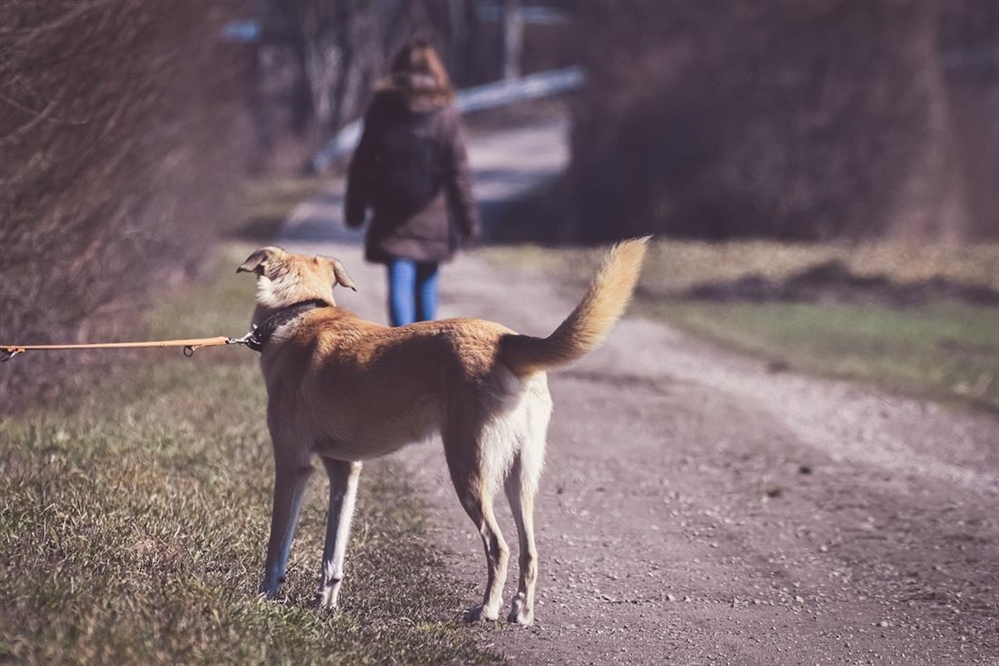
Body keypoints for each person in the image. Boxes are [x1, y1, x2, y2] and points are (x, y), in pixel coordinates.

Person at [344, 40, 480, 327]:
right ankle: (426, 347)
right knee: (426, 283)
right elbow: (459, 173)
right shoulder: (445, 113)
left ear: (398, 68)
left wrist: (355, 207)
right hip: (433, 213)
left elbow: (362, 162)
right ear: (437, 70)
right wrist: (468, 222)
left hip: (391, 211)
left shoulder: (383, 107)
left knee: (399, 279)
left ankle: (400, 347)